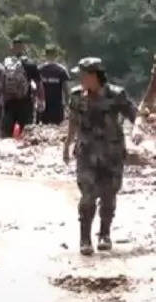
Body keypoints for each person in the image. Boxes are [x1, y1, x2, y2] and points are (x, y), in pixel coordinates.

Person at [64, 57, 137, 256]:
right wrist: (67, 144)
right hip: (86, 154)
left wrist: (140, 129)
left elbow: (135, 116)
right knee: (87, 196)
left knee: (108, 196)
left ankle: (104, 234)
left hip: (112, 154)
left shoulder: (116, 95)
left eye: (83, 75)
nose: (80, 79)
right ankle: (85, 239)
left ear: (94, 76)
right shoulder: (77, 96)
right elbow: (73, 122)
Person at [2, 37, 42, 138]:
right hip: (26, 102)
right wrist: (40, 99)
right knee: (27, 134)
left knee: (6, 135)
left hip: (9, 102)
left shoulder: (6, 63)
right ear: (23, 48)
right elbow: (39, 83)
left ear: (12, 48)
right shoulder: (30, 64)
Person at [38, 47, 70, 125]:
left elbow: (36, 88)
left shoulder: (40, 69)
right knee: (57, 130)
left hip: (43, 106)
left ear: (45, 55)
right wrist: (67, 105)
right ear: (56, 56)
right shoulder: (61, 70)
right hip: (57, 106)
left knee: (42, 130)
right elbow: (66, 90)